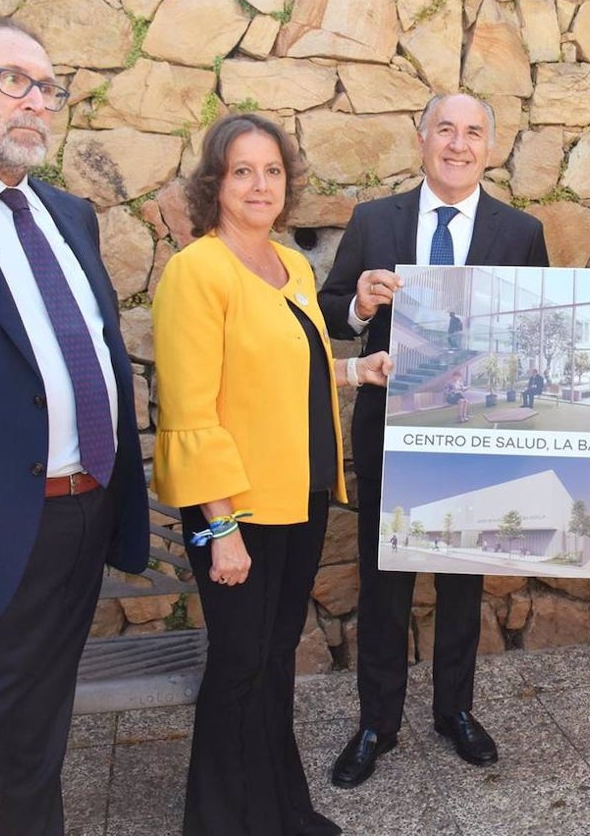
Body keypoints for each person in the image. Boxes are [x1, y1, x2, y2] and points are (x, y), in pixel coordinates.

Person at [151, 113, 392, 835]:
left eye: (273, 171)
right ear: (215, 184)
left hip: (301, 493)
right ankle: (220, 822)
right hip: (236, 509)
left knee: (276, 657)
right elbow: (191, 414)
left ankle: (281, 812)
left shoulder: (289, 264)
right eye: (243, 171)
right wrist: (220, 528)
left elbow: (291, 367)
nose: (261, 185)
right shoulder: (198, 271)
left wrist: (355, 370)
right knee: (238, 665)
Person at [319, 93, 549, 788]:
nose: (458, 143)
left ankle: (455, 710)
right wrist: (360, 301)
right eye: (445, 129)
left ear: (491, 145)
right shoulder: (372, 221)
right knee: (384, 582)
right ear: (421, 139)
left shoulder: (521, 232)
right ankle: (376, 723)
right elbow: (330, 313)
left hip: (477, 435)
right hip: (391, 429)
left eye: (473, 132)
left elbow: (540, 332)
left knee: (461, 579)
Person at [0, 17, 149, 834]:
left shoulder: (69, 215)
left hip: (81, 514)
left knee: (43, 730)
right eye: (14, 80)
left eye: (49, 87)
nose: (37, 101)